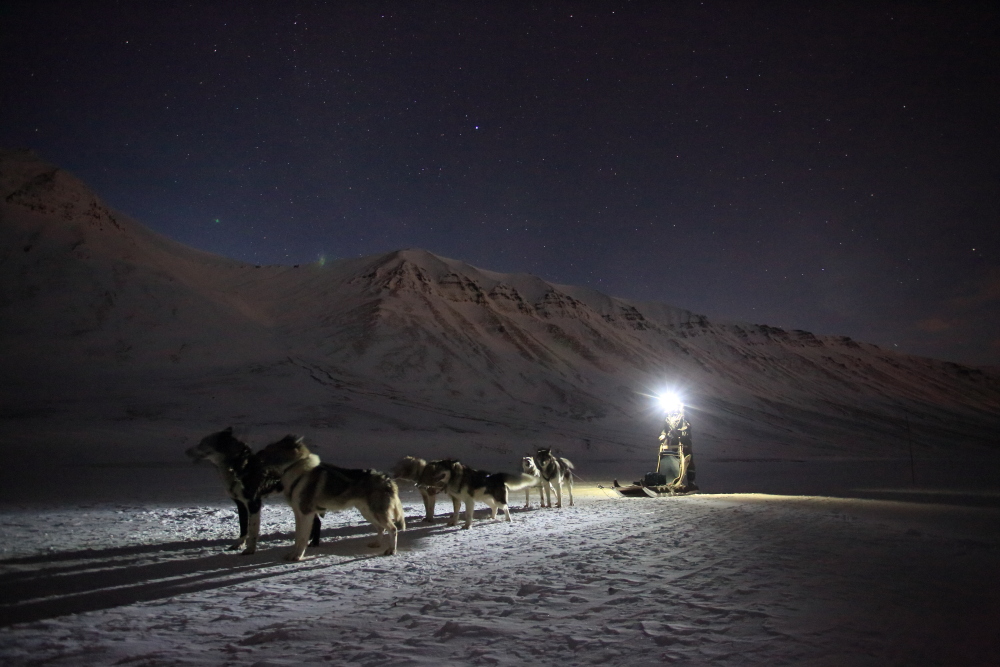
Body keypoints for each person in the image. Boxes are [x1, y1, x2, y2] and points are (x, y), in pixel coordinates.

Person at [657, 404, 698, 491]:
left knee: (687, 459)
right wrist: (663, 434)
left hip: (685, 439)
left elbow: (687, 425)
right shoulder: (668, 415)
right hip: (675, 441)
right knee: (675, 459)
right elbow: (665, 427)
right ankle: (674, 479)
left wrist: (682, 432)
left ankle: (691, 482)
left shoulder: (683, 414)